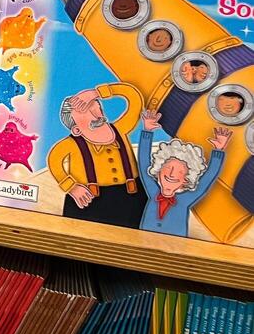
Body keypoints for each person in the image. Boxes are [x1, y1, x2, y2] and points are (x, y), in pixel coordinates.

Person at [46, 82, 148, 228]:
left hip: (131, 197)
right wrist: (72, 187)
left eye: (96, 106)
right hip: (90, 201)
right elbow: (54, 160)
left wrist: (96, 93)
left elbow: (135, 99)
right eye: (86, 112)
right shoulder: (71, 144)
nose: (96, 115)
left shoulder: (120, 128)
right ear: (76, 130)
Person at [137, 113, 230, 237]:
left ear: (186, 180)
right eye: (169, 167)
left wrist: (218, 151)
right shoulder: (152, 190)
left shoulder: (186, 199)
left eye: (179, 172)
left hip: (175, 247)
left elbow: (207, 180)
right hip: (143, 243)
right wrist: (147, 131)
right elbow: (144, 163)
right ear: (158, 170)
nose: (171, 174)